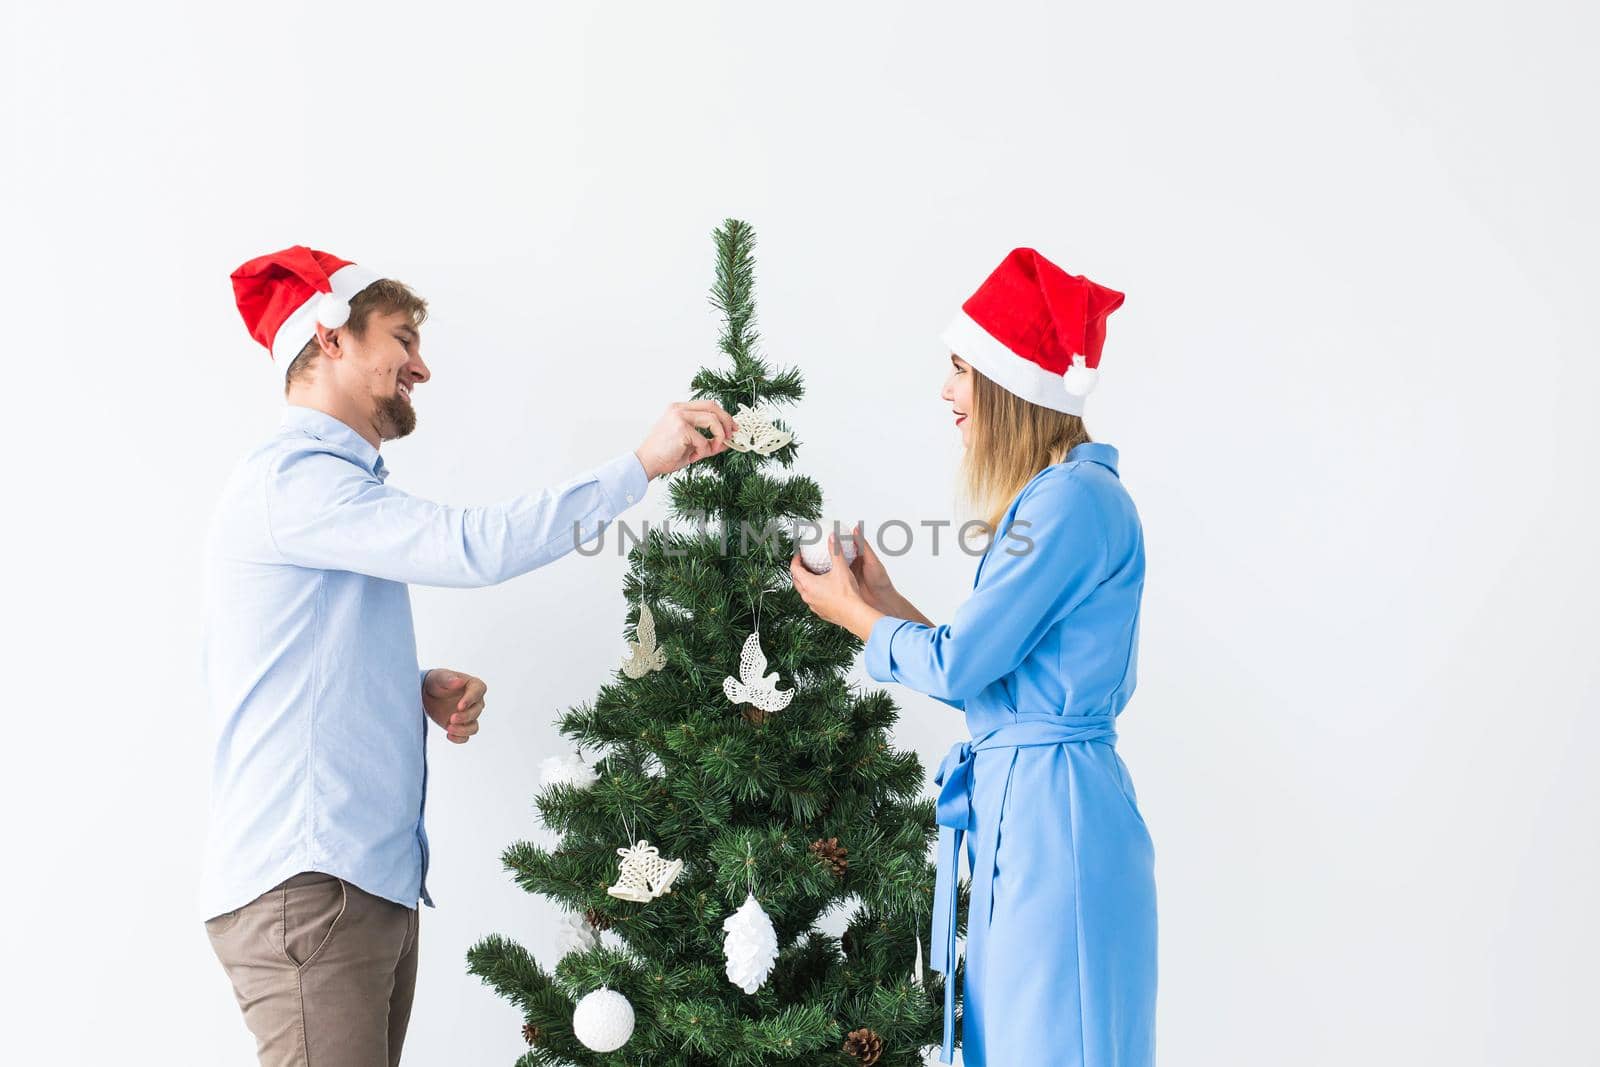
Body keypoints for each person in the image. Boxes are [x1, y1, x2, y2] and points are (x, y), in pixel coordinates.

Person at [200, 245, 737, 1067]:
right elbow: (471, 546)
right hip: (312, 889)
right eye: (402, 338)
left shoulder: (328, 493)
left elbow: (289, 664)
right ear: (331, 336)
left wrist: (402, 686)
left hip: (355, 886)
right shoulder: (298, 483)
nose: (421, 366)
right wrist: (638, 467)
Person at [789, 247, 1157, 1066]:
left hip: (1054, 820)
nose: (949, 393)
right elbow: (995, 678)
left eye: (961, 371)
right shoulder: (1061, 497)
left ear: (1009, 385)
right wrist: (882, 603)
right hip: (1032, 809)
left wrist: (854, 615)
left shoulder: (1071, 501)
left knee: (1053, 1043)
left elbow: (960, 668)